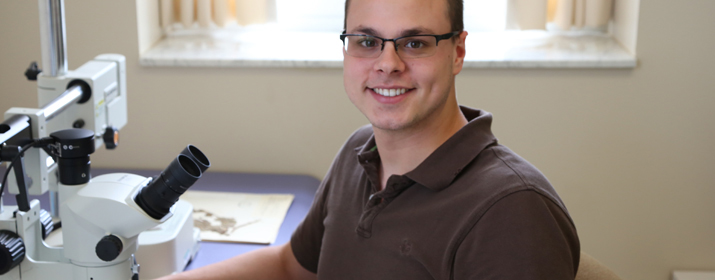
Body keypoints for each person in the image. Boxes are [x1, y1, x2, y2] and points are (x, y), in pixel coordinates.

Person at [159, 0, 579, 279]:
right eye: (366, 41)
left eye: (415, 43)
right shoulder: (360, 152)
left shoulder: (513, 213)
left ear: (458, 52)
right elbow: (292, 267)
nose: (387, 64)